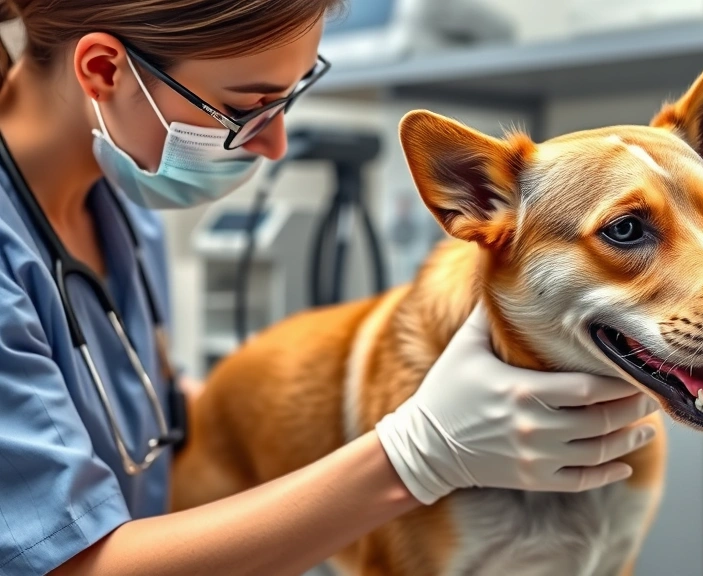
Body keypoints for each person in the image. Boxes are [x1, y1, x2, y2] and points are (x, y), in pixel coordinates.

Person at [0, 1, 660, 574]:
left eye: (286, 101)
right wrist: (413, 455)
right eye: (245, 108)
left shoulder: (122, 213)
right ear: (103, 70)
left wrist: (263, 397)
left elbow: (132, 413)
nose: (275, 144)